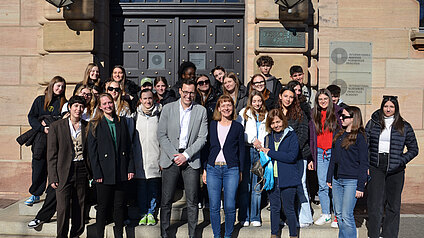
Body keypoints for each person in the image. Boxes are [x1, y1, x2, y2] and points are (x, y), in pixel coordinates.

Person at [157, 79, 208, 238]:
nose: (188, 95)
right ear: (180, 91)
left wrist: (186, 155)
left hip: (190, 159)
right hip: (170, 158)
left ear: (195, 93)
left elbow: (202, 138)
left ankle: (192, 234)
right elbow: (161, 135)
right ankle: (164, 233)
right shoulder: (168, 108)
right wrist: (174, 155)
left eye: (191, 92)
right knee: (166, 200)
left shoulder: (201, 111)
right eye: (185, 92)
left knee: (192, 200)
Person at [366, 95, 418, 238]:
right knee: (375, 203)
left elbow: (414, 149)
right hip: (376, 166)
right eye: (386, 106)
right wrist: (368, 163)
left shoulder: (404, 126)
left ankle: (389, 234)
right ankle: (374, 234)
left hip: (396, 169)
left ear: (396, 108)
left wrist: (401, 160)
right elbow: (366, 145)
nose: (388, 109)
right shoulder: (373, 123)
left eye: (391, 107)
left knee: (393, 205)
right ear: (382, 107)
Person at [87, 93, 135, 238]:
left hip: (121, 171)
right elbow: (92, 153)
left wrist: (130, 168)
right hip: (104, 173)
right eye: (105, 104)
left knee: (120, 206)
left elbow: (128, 147)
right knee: (102, 207)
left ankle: (119, 235)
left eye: (110, 103)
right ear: (100, 107)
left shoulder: (121, 121)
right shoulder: (94, 124)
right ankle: (100, 235)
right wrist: (97, 174)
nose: (108, 106)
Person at [47, 95, 90, 238]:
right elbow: (51, 154)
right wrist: (53, 176)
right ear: (70, 108)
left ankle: (76, 235)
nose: (78, 109)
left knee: (80, 207)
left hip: (82, 169)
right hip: (63, 171)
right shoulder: (56, 126)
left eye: (81, 107)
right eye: (76, 106)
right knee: (63, 208)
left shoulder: (87, 126)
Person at [203, 95, 245, 238]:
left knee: (230, 205)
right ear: (219, 108)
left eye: (229, 105)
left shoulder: (238, 126)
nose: (226, 108)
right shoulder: (212, 124)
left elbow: (241, 150)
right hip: (213, 168)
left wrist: (240, 171)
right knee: (214, 206)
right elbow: (206, 147)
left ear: (232, 108)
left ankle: (227, 234)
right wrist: (204, 169)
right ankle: (216, 235)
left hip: (231, 169)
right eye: (223, 105)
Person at [326, 106, 368, 238]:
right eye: (341, 116)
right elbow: (333, 158)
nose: (341, 119)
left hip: (352, 180)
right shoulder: (338, 134)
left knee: (346, 214)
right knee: (338, 214)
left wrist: (360, 186)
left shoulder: (360, 138)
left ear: (353, 118)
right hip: (337, 180)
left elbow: (364, 163)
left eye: (344, 116)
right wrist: (329, 177)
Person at [24, 76, 67, 206]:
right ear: (52, 85)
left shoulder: (64, 102)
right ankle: (36, 194)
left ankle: (51, 195)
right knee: (38, 167)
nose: (60, 89)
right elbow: (31, 117)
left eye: (62, 87)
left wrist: (52, 125)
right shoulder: (40, 100)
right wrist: (42, 128)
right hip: (41, 140)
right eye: (58, 86)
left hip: (56, 140)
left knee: (54, 167)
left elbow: (65, 119)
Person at [260, 108, 300, 238]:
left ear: (283, 120)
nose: (276, 125)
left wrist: (271, 153)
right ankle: (274, 234)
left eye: (278, 121)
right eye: (272, 123)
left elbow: (291, 157)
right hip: (272, 179)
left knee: (289, 209)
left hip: (288, 178)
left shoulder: (291, 135)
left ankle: (293, 235)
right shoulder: (268, 137)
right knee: (275, 209)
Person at [309, 88, 344, 227]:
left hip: (334, 153)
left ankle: (337, 216)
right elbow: (311, 137)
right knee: (322, 185)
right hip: (319, 153)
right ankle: (326, 214)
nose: (323, 101)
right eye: (320, 99)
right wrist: (311, 157)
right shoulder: (313, 113)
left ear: (330, 99)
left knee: (335, 185)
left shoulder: (338, 112)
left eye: (325, 99)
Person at [279, 86, 313, 227]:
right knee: (284, 186)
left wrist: (291, 150)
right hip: (280, 156)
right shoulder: (275, 113)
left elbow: (303, 134)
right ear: (280, 96)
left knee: (301, 184)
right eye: (286, 96)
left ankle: (305, 217)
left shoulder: (299, 114)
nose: (288, 99)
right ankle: (286, 216)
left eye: (291, 97)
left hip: (298, 154)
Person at [237, 90, 268, 227]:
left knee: (257, 185)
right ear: (251, 101)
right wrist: (253, 140)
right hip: (247, 149)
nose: (257, 103)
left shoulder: (265, 115)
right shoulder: (244, 113)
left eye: (259, 101)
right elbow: (239, 132)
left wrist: (261, 145)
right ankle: (244, 216)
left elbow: (267, 132)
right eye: (254, 101)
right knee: (246, 186)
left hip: (259, 153)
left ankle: (255, 216)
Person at [133, 89, 162, 226]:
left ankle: (151, 212)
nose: (147, 101)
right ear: (140, 100)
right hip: (139, 158)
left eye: (150, 98)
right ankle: (143, 212)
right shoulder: (135, 116)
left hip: (154, 158)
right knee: (141, 188)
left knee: (153, 188)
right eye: (144, 99)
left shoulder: (159, 115)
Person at [195, 74, 218, 208]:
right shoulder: (194, 99)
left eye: (206, 81)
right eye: (200, 82)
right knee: (197, 171)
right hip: (197, 138)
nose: (204, 84)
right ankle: (198, 198)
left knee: (210, 169)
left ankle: (209, 199)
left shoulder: (216, 97)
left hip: (211, 138)